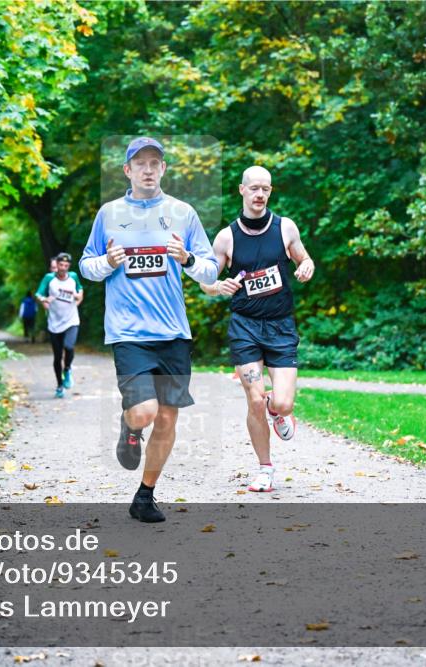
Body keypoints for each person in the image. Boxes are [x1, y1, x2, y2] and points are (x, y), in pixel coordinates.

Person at [80, 137, 218, 523]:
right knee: (144, 412)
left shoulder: (183, 213)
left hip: (173, 332)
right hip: (129, 333)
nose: (147, 169)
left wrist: (187, 257)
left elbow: (209, 269)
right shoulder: (109, 213)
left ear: (163, 169)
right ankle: (129, 426)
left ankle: (145, 496)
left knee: (169, 418)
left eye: (154, 162)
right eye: (139, 163)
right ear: (127, 170)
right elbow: (86, 266)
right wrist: (106, 262)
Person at [199, 165, 315, 493]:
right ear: (242, 190)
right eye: (254, 188)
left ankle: (277, 412)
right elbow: (206, 280)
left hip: (280, 326)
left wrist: (306, 266)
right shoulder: (226, 237)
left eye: (265, 188)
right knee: (253, 398)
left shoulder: (285, 228)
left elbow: (304, 259)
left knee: (283, 403)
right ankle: (265, 469)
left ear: (270, 191)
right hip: (245, 327)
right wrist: (216, 287)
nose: (260, 194)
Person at [36, 252, 83, 398]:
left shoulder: (73, 277)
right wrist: (45, 300)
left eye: (66, 265)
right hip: (54, 323)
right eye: (60, 265)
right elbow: (38, 294)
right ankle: (59, 385)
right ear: (56, 265)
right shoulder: (49, 279)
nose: (63, 268)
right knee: (57, 356)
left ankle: (67, 369)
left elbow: (80, 290)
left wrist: (78, 298)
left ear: (69, 266)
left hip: (71, 320)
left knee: (69, 347)